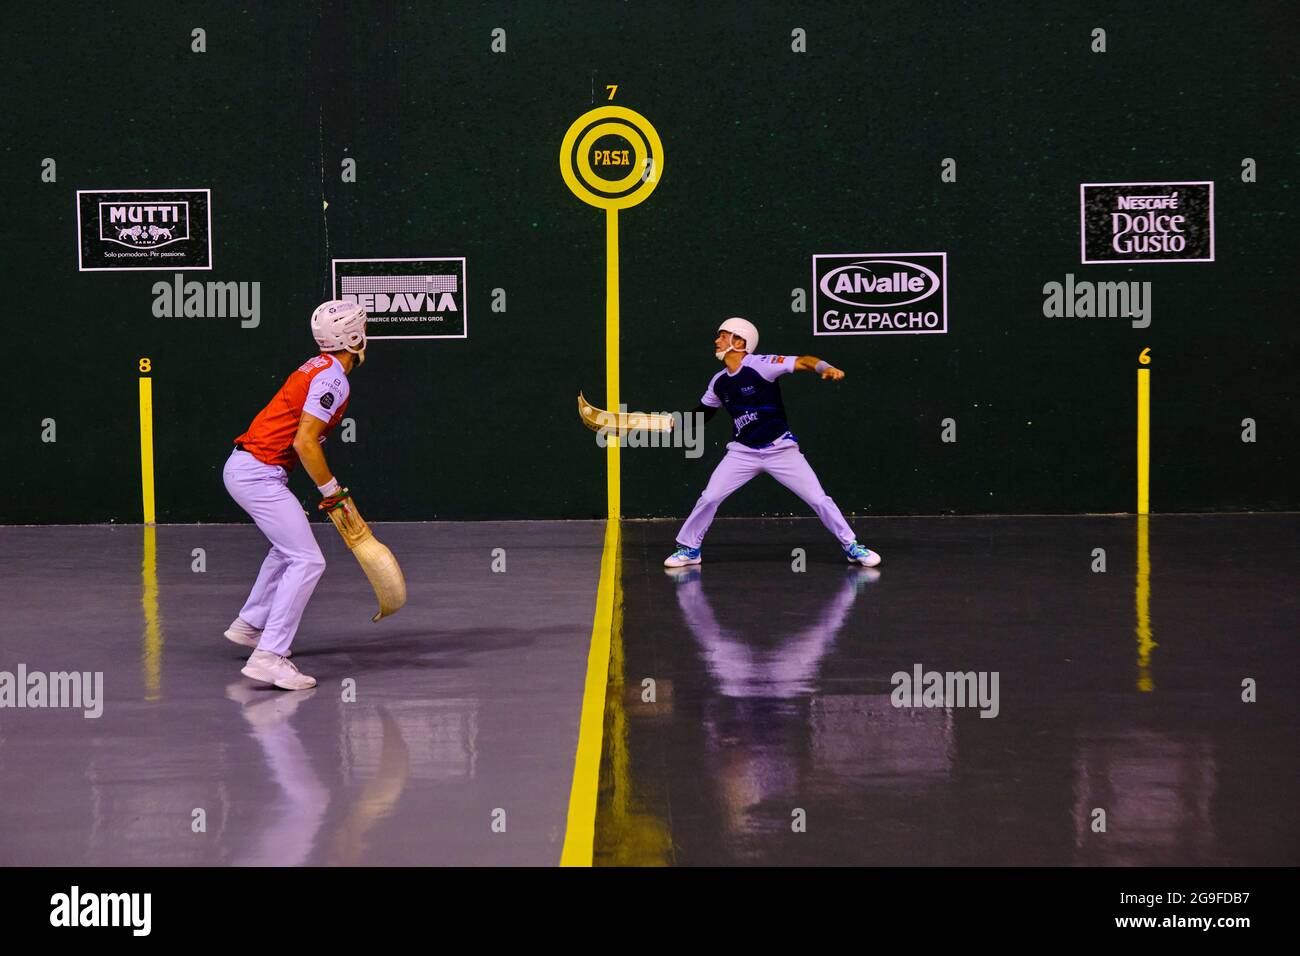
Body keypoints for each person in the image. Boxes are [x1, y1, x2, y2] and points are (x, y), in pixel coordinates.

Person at [221, 300, 367, 690]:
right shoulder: (333, 379)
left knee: (287, 549)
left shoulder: (317, 367)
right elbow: (305, 442)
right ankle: (268, 657)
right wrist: (333, 493)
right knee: (308, 560)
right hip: (257, 474)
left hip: (249, 469)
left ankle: (251, 624)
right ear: (354, 338)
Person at [664, 317, 882, 569]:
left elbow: (803, 361)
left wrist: (824, 367)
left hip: (781, 450)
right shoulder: (719, 381)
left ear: (739, 341)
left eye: (722, 336)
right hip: (742, 452)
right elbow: (703, 414)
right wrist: (673, 422)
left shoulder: (761, 364)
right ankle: (690, 549)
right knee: (709, 498)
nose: (716, 340)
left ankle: (851, 546)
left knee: (819, 499)